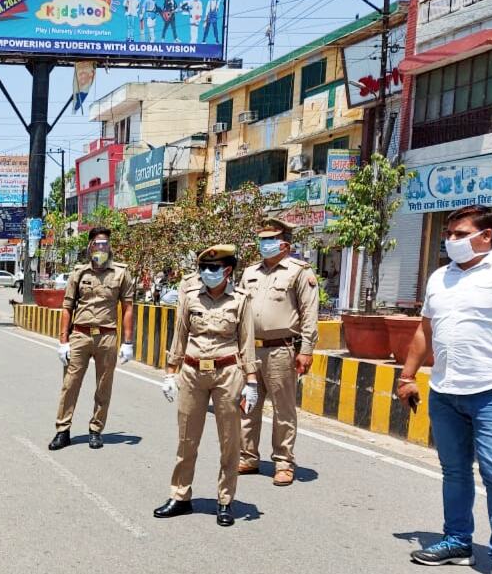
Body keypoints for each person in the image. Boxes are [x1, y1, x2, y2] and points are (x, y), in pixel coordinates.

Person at [398, 205, 492, 573]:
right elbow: (424, 331)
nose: (451, 240)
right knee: (454, 471)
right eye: (448, 234)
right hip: (445, 391)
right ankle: (457, 540)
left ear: (485, 236)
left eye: (459, 234)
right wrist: (407, 377)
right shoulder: (440, 278)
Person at [154, 245, 258, 527]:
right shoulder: (189, 296)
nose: (206, 274)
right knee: (187, 437)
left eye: (213, 269)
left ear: (227, 271)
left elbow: (246, 342)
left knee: (229, 440)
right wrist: (170, 373)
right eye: (203, 268)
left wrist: (251, 382)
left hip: (227, 372)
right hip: (192, 371)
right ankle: (180, 495)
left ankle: (225, 500)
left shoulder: (241, 299)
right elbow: (180, 334)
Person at [238, 218, 319, 487]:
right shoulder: (250, 272)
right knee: (247, 404)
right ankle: (248, 455)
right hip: (250, 349)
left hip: (280, 350)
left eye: (270, 239)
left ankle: (283, 461)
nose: (265, 244)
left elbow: (309, 314)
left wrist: (306, 350)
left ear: (285, 243)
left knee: (283, 410)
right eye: (262, 239)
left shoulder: (299, 272)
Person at [49, 227, 136, 451]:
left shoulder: (120, 273)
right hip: (80, 335)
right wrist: (63, 341)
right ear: (89, 247)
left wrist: (128, 342)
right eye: (97, 244)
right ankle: (63, 430)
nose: (101, 248)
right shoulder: (79, 273)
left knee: (103, 386)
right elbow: (67, 307)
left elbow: (127, 307)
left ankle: (96, 429)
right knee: (70, 385)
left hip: (107, 336)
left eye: (105, 243)